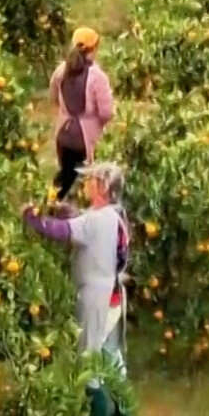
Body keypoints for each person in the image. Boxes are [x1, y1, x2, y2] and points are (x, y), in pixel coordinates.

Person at [21, 161, 130, 383]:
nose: (86, 183)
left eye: (91, 180)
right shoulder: (112, 215)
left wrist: (32, 218)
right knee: (109, 353)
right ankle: (123, 407)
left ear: (103, 187)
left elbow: (61, 231)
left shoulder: (96, 220)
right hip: (112, 295)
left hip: (96, 297)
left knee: (88, 359)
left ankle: (95, 407)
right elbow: (82, 220)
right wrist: (66, 211)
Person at [50, 27, 116, 201]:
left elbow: (54, 97)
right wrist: (99, 124)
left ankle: (49, 206)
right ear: (95, 48)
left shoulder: (61, 70)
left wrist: (66, 112)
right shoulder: (97, 77)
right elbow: (106, 112)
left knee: (65, 175)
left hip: (63, 135)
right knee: (89, 180)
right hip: (86, 140)